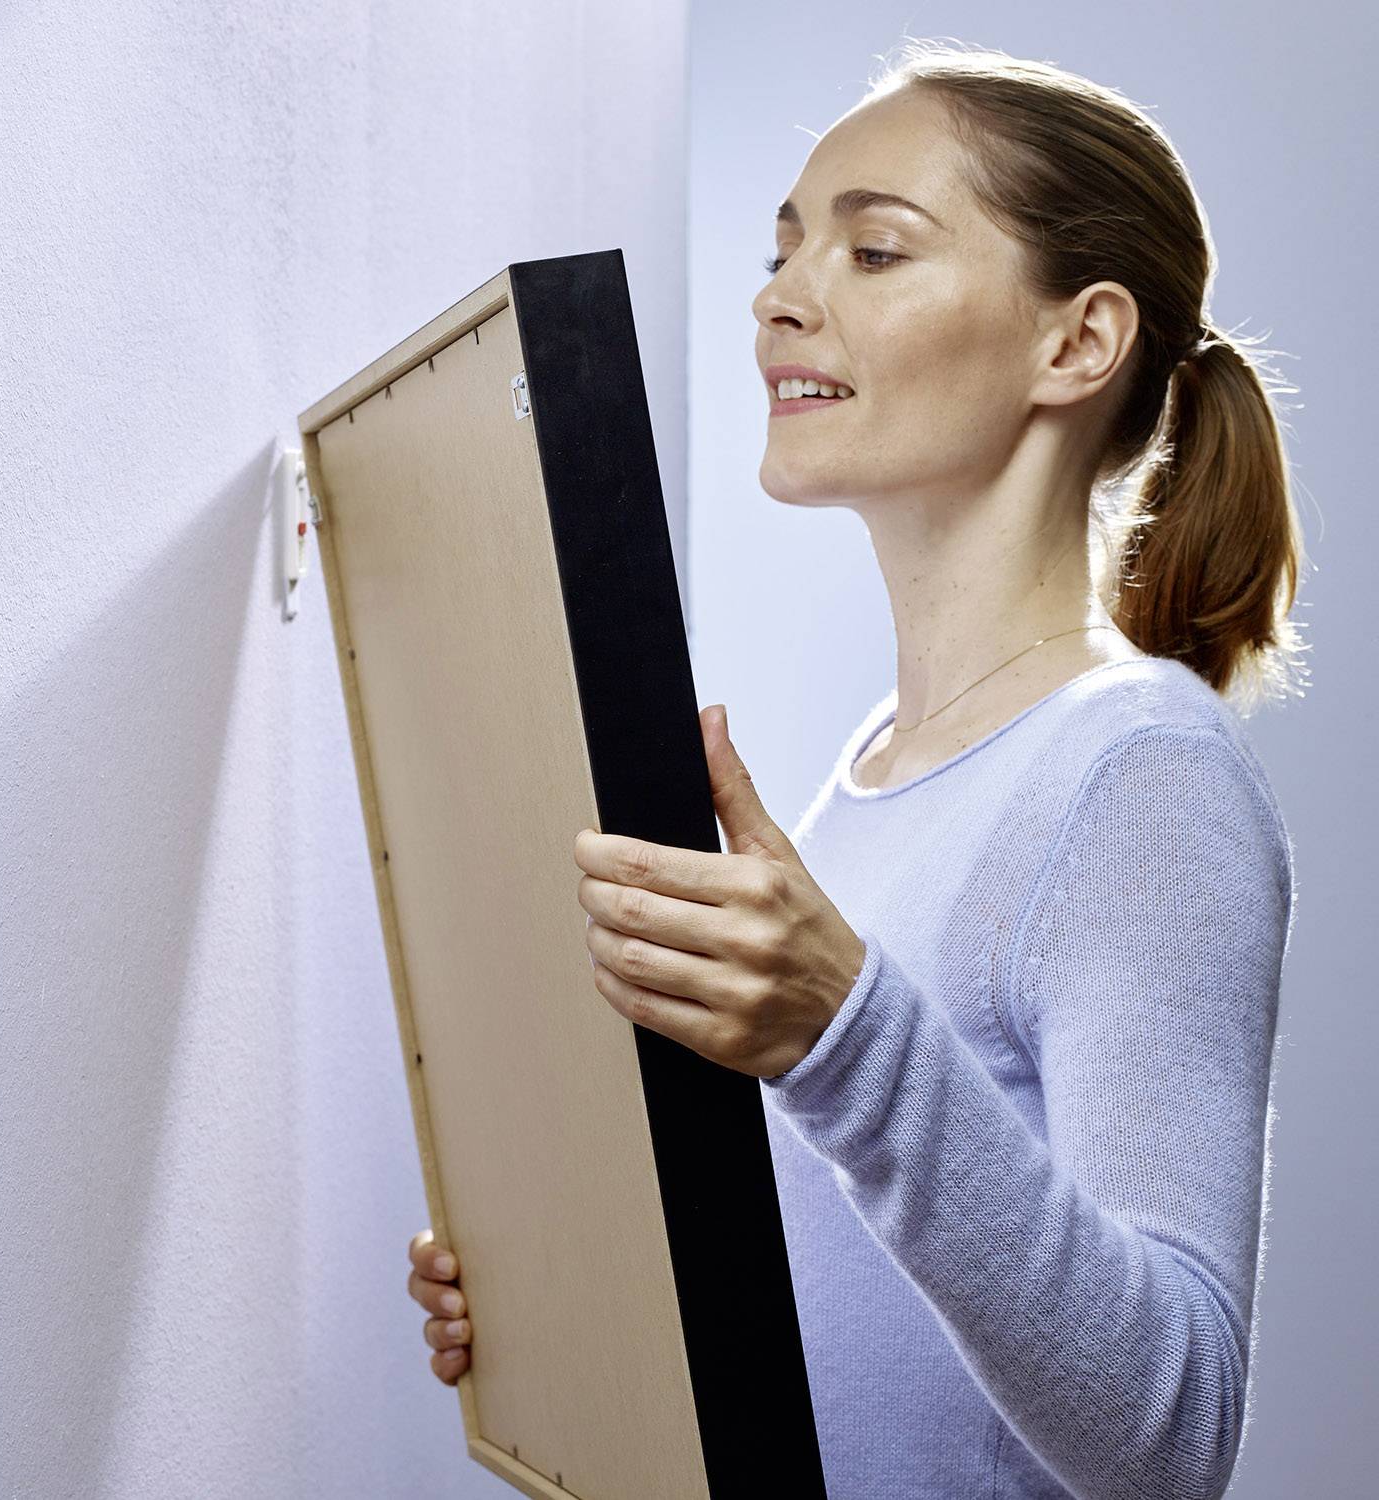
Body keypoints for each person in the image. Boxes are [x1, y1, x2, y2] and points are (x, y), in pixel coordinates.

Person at [406, 39, 1307, 1500]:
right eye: (783, 248)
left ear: (1077, 343)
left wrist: (847, 1035)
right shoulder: (867, 780)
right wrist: (562, 1301)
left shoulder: (1141, 772)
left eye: (875, 248)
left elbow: (1172, 1437)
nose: (782, 296)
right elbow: (852, 1321)